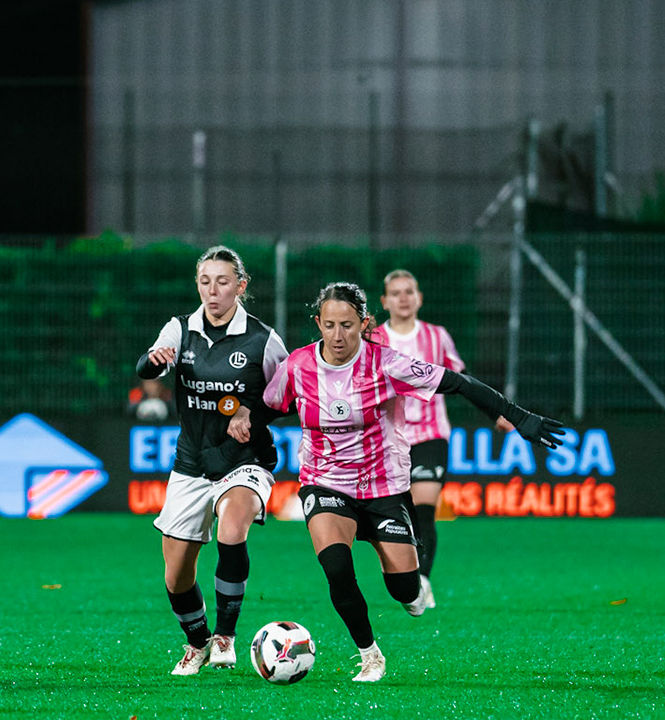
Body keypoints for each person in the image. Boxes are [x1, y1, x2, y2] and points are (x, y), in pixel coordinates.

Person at [260, 282, 564, 681]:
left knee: (405, 590)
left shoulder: (387, 364)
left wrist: (518, 416)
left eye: (348, 325)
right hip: (324, 482)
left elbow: (458, 382)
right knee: (336, 566)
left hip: (383, 487)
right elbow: (268, 405)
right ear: (318, 323)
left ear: (364, 323)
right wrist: (238, 418)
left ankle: (413, 586)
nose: (338, 335)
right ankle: (370, 655)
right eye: (330, 325)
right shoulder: (298, 366)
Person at [135, 246, 290, 676]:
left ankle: (226, 634)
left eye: (222, 282)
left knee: (232, 525)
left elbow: (287, 397)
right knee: (176, 575)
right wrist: (154, 360)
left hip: (245, 458)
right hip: (192, 461)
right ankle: (198, 642)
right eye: (205, 282)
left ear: (241, 286)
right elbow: (146, 369)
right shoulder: (179, 329)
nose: (212, 291)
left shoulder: (263, 339)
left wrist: (250, 413)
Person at [372, 268, 512, 603]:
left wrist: (496, 411)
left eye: (409, 291)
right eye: (396, 293)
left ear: (419, 298)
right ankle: (404, 574)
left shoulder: (437, 336)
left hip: (431, 433)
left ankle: (422, 579)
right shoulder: (374, 339)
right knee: (395, 513)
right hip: (388, 440)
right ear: (385, 301)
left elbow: (463, 380)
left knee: (424, 506)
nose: (404, 298)